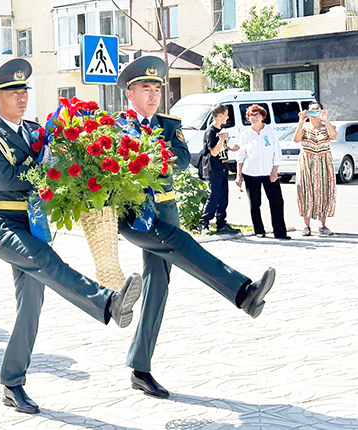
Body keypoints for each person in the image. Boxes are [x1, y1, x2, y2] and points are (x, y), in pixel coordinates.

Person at [0, 59, 143, 414]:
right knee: (48, 263)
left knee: (30, 309)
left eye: (24, 92)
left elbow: (55, 175)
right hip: (3, 225)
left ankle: (12, 383)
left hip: (34, 224)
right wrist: (46, 166)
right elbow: (8, 181)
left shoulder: (35, 132)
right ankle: (107, 301)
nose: (21, 98)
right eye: (12, 92)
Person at [114, 57, 279, 400]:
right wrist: (147, 155)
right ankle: (242, 292)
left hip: (166, 208)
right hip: (135, 215)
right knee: (183, 245)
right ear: (129, 92)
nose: (154, 94)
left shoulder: (169, 123)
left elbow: (179, 158)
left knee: (158, 286)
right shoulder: (114, 128)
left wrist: (149, 153)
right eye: (146, 88)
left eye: (157, 88)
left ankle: (139, 368)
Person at [235, 104, 290, 240]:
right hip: (251, 172)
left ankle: (280, 232)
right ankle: (259, 230)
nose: (254, 118)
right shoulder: (246, 134)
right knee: (254, 203)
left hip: (269, 172)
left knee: (276, 202)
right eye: (251, 115)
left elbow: (276, 152)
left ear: (263, 117)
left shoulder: (270, 132)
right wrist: (239, 175)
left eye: (257, 115)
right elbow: (240, 156)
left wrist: (274, 172)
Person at [293, 102, 337, 236]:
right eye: (311, 111)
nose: (313, 114)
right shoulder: (304, 127)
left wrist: (325, 120)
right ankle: (306, 226)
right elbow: (296, 139)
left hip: (324, 162)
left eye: (316, 111)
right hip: (307, 162)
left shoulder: (326, 127)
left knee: (324, 192)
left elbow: (334, 136)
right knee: (305, 191)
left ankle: (322, 225)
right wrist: (301, 121)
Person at [199, 104, 241, 236]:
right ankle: (203, 223)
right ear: (220, 115)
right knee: (214, 197)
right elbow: (214, 152)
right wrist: (222, 138)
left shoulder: (220, 129)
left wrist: (229, 148)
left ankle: (221, 223)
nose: (228, 117)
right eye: (226, 114)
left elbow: (221, 148)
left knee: (223, 198)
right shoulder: (211, 131)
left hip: (223, 168)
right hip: (213, 169)